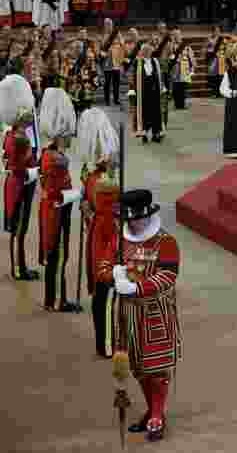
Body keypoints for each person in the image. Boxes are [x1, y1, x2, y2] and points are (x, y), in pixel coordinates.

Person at [96, 189, 182, 441]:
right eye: (127, 220)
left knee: (157, 367)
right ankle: (152, 410)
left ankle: (157, 414)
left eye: (134, 219)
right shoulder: (119, 239)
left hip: (154, 314)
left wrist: (137, 286)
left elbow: (168, 277)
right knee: (137, 367)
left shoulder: (165, 242)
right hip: (126, 314)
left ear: (146, 215)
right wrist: (114, 274)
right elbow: (102, 265)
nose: (131, 224)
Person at [76, 107, 120, 357]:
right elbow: (110, 216)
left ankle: (102, 341)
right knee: (106, 290)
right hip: (105, 236)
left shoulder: (89, 175)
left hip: (95, 233)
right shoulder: (105, 182)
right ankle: (106, 344)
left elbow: (87, 207)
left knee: (101, 293)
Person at [37, 87, 83, 312]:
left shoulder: (49, 153)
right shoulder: (57, 159)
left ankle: (52, 297)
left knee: (55, 255)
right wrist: (79, 194)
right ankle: (56, 300)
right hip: (56, 210)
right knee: (59, 255)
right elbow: (58, 193)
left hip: (51, 208)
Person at [1, 75, 41, 280]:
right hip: (19, 183)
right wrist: (36, 171)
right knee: (19, 228)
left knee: (18, 227)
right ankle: (18, 268)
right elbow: (19, 167)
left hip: (15, 183)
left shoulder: (12, 134)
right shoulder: (19, 138)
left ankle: (20, 265)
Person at [130, 42, 165, 143]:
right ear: (142, 51)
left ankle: (156, 134)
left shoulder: (155, 61)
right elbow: (135, 77)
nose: (147, 52)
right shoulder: (138, 62)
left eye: (149, 50)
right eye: (145, 50)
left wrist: (161, 87)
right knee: (144, 113)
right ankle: (144, 133)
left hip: (154, 91)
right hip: (143, 92)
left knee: (155, 113)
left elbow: (159, 76)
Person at [98, 18, 125, 106]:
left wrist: (116, 44)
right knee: (107, 83)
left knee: (116, 83)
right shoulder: (102, 35)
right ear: (104, 26)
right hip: (107, 62)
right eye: (107, 24)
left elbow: (122, 44)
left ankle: (116, 99)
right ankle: (107, 100)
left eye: (110, 24)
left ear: (112, 25)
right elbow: (101, 47)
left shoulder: (117, 34)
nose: (108, 26)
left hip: (116, 61)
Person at [167, 27, 194, 110]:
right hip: (176, 67)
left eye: (178, 34)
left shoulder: (185, 45)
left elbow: (191, 55)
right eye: (175, 35)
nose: (176, 36)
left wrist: (192, 67)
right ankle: (177, 103)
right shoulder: (171, 45)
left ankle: (182, 103)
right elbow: (168, 55)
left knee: (184, 86)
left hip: (184, 67)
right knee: (176, 86)